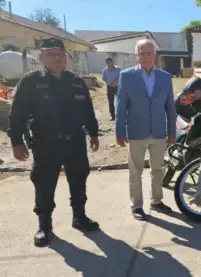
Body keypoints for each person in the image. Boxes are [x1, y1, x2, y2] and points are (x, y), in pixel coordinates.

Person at [7, 38, 100, 247]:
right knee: (44, 183)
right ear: (42, 58)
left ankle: (79, 217)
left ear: (65, 58)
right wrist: (16, 142)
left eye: (60, 54)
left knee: (78, 178)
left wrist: (94, 134)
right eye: (51, 54)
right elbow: (17, 114)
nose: (57, 58)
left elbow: (88, 111)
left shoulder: (76, 82)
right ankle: (45, 227)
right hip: (46, 144)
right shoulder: (31, 82)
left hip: (75, 142)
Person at [116, 39, 176, 221]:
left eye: (149, 53)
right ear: (137, 55)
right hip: (136, 132)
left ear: (155, 54)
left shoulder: (165, 77)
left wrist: (172, 131)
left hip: (158, 132)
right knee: (136, 172)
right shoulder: (126, 76)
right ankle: (137, 205)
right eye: (142, 53)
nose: (146, 57)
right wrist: (119, 131)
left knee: (158, 169)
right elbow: (121, 105)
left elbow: (170, 107)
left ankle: (156, 201)